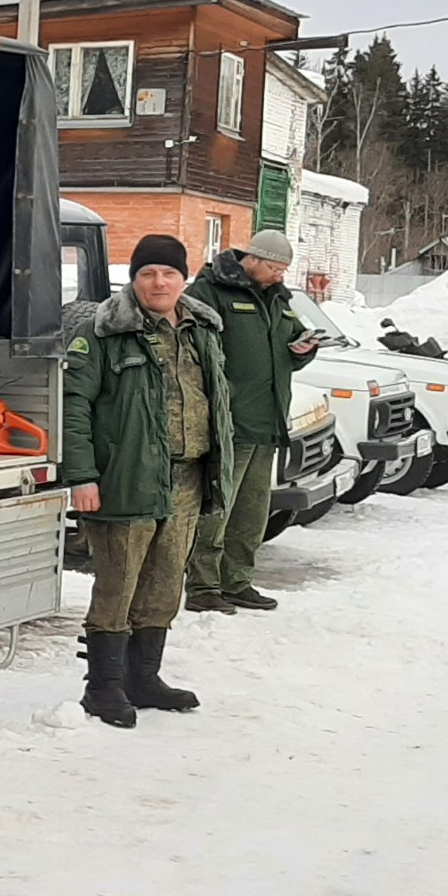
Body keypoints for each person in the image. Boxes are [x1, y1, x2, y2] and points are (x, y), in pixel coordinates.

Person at [63, 234, 234, 728]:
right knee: (117, 586)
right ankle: (103, 689)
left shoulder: (202, 328)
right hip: (125, 477)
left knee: (163, 586)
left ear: (184, 279)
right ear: (133, 278)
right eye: (148, 273)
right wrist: (82, 476)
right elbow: (74, 407)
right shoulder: (102, 333)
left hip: (186, 478)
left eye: (169, 274)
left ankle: (144, 678)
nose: (159, 282)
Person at [184, 229, 318, 614]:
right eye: (275, 267)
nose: (280, 275)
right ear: (252, 259)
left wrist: (303, 350)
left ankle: (237, 581)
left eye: (284, 270)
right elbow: (193, 351)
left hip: (266, 422)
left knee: (252, 512)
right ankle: (203, 586)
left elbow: (290, 346)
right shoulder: (210, 292)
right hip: (230, 423)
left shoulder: (278, 298)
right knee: (217, 508)